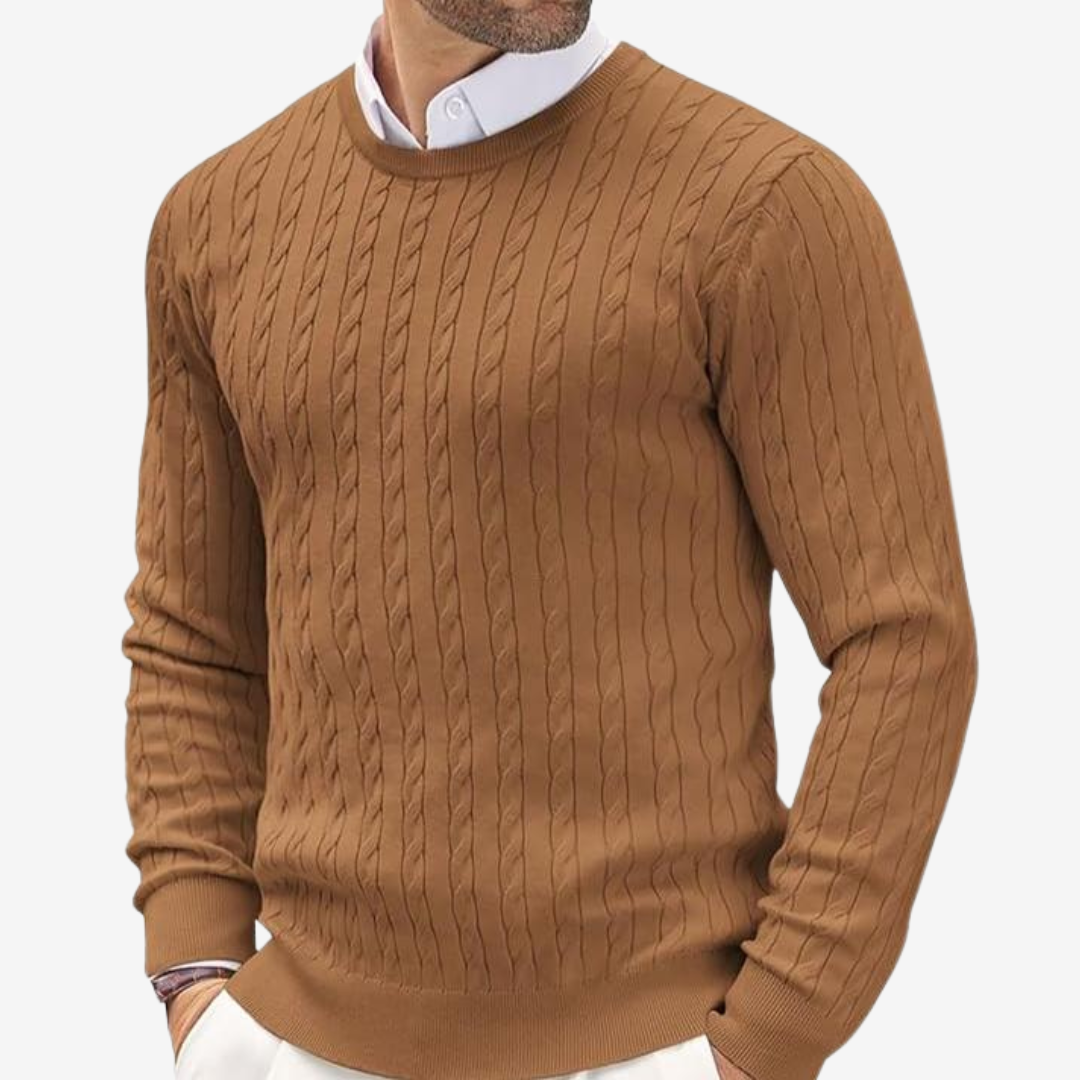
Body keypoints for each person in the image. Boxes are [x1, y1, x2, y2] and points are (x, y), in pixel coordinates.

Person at [120, 1, 979, 1078]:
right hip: (291, 1037)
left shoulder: (768, 205)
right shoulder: (218, 221)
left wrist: (772, 1035)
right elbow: (195, 633)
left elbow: (903, 637)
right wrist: (196, 972)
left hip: (649, 1043)